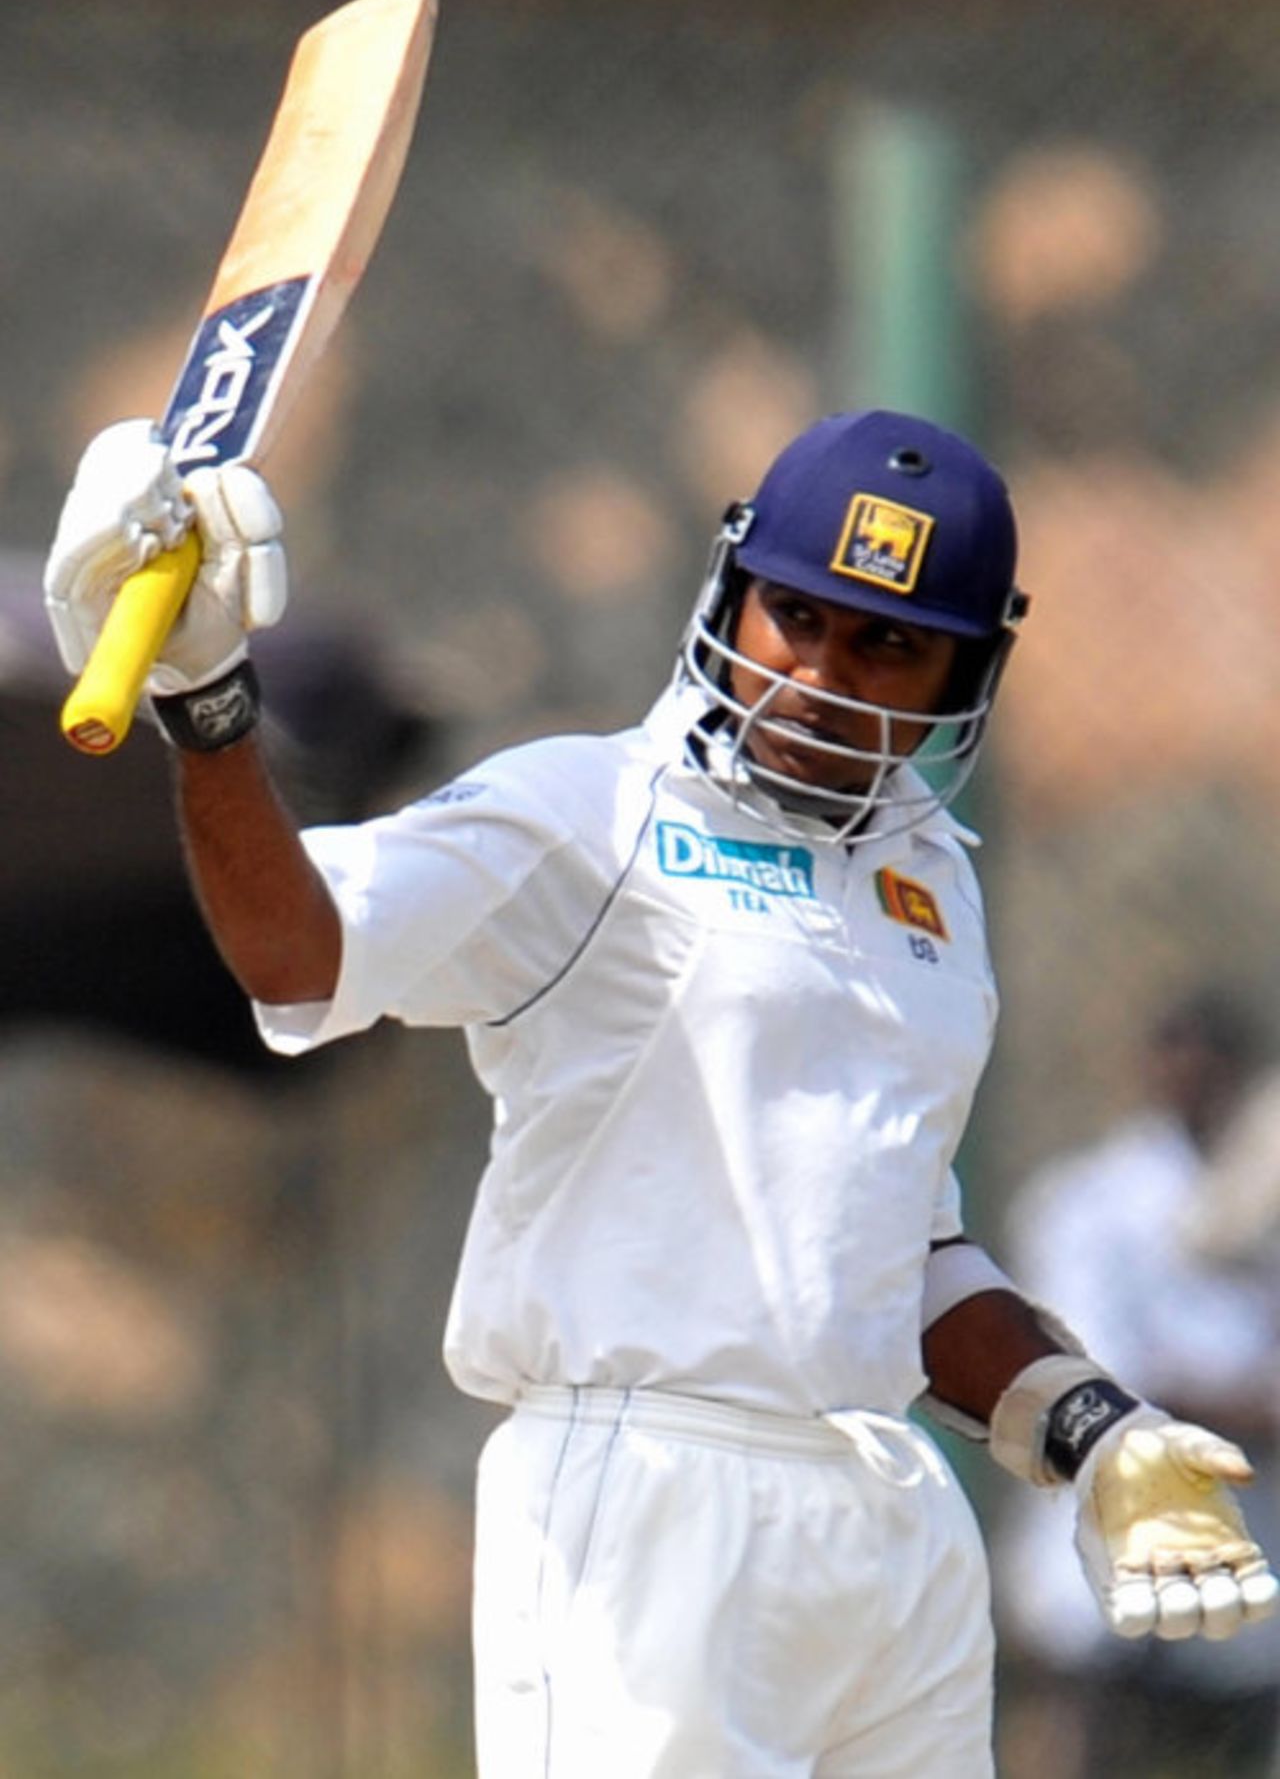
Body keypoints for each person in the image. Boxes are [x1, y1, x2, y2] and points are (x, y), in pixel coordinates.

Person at [43, 408, 1280, 1778]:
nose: (819, 673)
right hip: (650, 1498)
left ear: (961, 675)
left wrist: (1096, 1429)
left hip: (885, 1521)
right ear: (735, 591)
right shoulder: (587, 811)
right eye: (796, 615)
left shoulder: (938, 890)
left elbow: (894, 1253)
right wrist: (212, 707)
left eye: (887, 642)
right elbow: (299, 946)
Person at [995, 990, 1280, 1779]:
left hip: (1244, 1544)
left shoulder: (1261, 1199)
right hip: (1116, 1535)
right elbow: (1104, 1379)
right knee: (1085, 1734)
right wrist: (1242, 1409)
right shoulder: (1091, 1199)